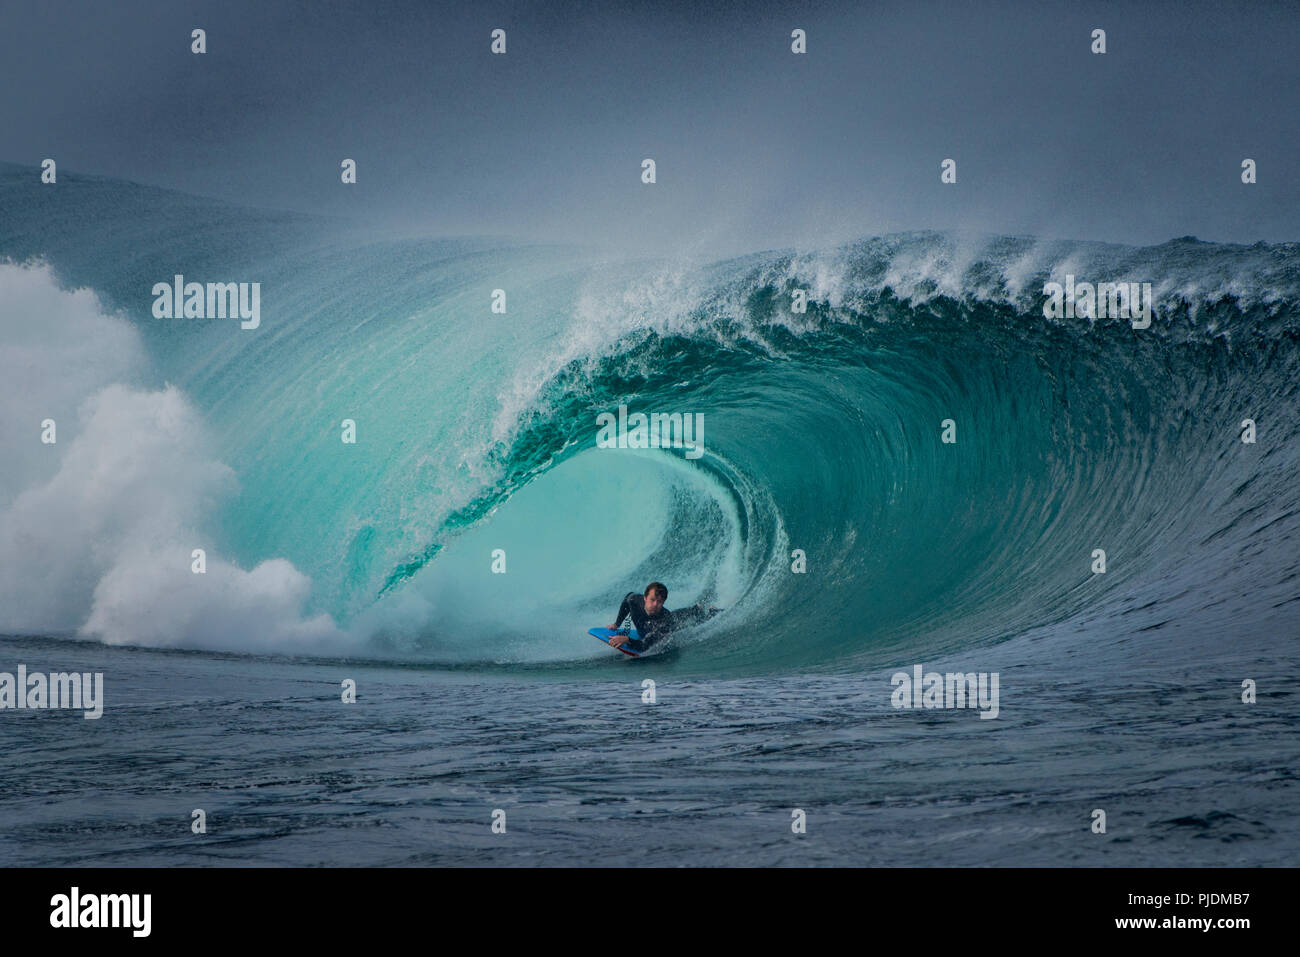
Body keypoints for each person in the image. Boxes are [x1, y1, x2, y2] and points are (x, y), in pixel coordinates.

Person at [608, 582, 720, 653]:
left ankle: (711, 613)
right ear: (645, 598)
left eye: (660, 601)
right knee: (678, 615)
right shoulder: (634, 600)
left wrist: (627, 640)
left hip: (670, 624)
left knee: (692, 623)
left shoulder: (664, 621)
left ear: (663, 602)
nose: (655, 604)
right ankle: (696, 609)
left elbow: (645, 645)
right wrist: (617, 624)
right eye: (652, 600)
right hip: (660, 621)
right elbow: (626, 601)